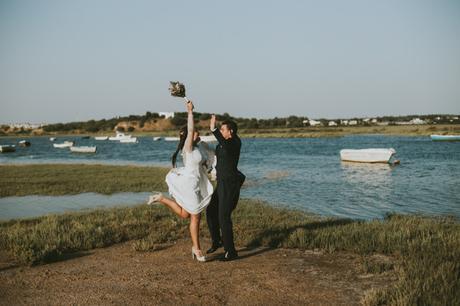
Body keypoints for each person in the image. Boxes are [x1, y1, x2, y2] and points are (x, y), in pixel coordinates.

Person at [148, 101, 213, 262]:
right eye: (195, 133)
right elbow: (190, 129)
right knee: (195, 216)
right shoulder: (188, 148)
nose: (198, 134)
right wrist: (190, 112)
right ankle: (197, 249)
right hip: (189, 185)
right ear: (189, 137)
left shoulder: (198, 148)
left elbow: (206, 160)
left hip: (196, 184)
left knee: (185, 214)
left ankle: (161, 198)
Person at [206, 115, 245, 261]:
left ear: (231, 131)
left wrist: (213, 129)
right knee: (211, 211)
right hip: (222, 182)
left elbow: (224, 144)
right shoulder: (222, 144)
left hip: (230, 183)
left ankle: (231, 251)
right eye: (220, 129)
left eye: (223, 129)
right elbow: (219, 159)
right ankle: (217, 241)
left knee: (223, 216)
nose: (221, 132)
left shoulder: (235, 142)